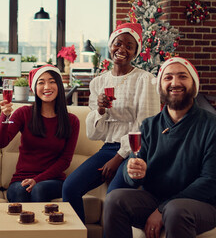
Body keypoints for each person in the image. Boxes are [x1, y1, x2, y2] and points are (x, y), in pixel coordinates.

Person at [104, 57, 216, 238]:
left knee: (175, 210)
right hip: (155, 199)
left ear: (194, 85)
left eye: (182, 76)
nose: (175, 83)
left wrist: (162, 209)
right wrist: (132, 172)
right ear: (161, 86)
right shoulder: (149, 126)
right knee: (115, 199)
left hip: (201, 205)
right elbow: (134, 168)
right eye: (168, 77)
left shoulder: (215, 127)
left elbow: (211, 182)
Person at [62, 22, 161, 223]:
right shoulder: (98, 83)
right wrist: (100, 110)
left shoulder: (145, 80)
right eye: (118, 43)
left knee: (113, 199)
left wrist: (118, 158)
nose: (122, 49)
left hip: (135, 151)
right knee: (70, 187)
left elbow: (145, 126)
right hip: (108, 148)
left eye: (129, 46)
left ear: (135, 52)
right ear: (110, 45)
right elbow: (94, 134)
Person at [0, 65, 80, 202]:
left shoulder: (72, 121)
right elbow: (0, 142)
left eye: (52, 81)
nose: (47, 87)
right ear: (34, 89)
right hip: (21, 180)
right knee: (19, 191)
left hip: (53, 180)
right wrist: (4, 116)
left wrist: (37, 179)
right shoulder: (23, 113)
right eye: (41, 82)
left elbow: (65, 160)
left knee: (39, 189)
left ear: (59, 85)